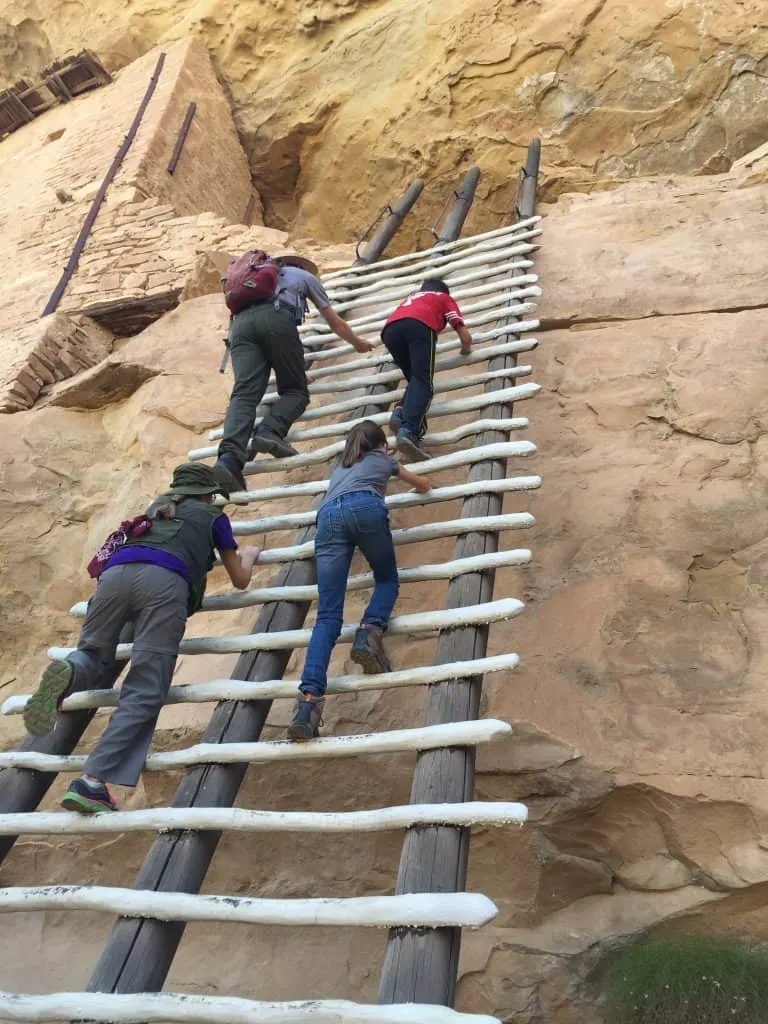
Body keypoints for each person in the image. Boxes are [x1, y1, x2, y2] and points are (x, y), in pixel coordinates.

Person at [23, 462, 262, 814]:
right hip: (163, 583)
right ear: (209, 494)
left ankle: (68, 674)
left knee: (92, 652)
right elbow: (239, 578)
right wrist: (250, 557)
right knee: (147, 686)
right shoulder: (214, 516)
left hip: (116, 574)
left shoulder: (154, 509)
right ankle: (92, 783)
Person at [287, 420, 431, 741]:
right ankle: (368, 632)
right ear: (381, 445)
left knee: (326, 616)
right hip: (364, 508)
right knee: (386, 579)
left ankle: (307, 705)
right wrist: (427, 481)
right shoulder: (382, 459)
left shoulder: (340, 467)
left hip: (326, 519)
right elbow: (419, 483)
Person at [215, 253, 374, 491]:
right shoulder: (303, 276)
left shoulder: (250, 283)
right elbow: (334, 322)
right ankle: (270, 431)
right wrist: (357, 343)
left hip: (240, 327)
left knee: (244, 395)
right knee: (296, 391)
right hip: (277, 319)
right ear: (299, 266)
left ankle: (228, 460)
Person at [381, 277, 473, 462]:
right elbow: (463, 333)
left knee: (415, 380)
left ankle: (400, 413)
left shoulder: (412, 298)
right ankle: (409, 433)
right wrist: (466, 349)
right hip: (419, 327)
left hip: (390, 331)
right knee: (424, 384)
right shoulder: (442, 297)